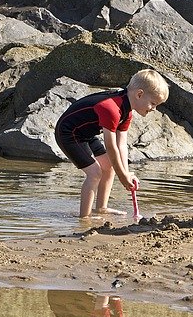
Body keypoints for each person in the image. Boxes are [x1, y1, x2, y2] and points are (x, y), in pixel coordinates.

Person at [54, 68, 169, 218]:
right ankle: (85, 217)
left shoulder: (126, 112)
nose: (154, 109)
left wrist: (126, 173)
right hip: (68, 132)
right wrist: (122, 177)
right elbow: (111, 146)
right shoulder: (112, 109)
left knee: (108, 166)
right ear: (139, 94)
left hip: (86, 134)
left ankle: (101, 208)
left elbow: (121, 145)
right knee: (95, 173)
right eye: (153, 103)